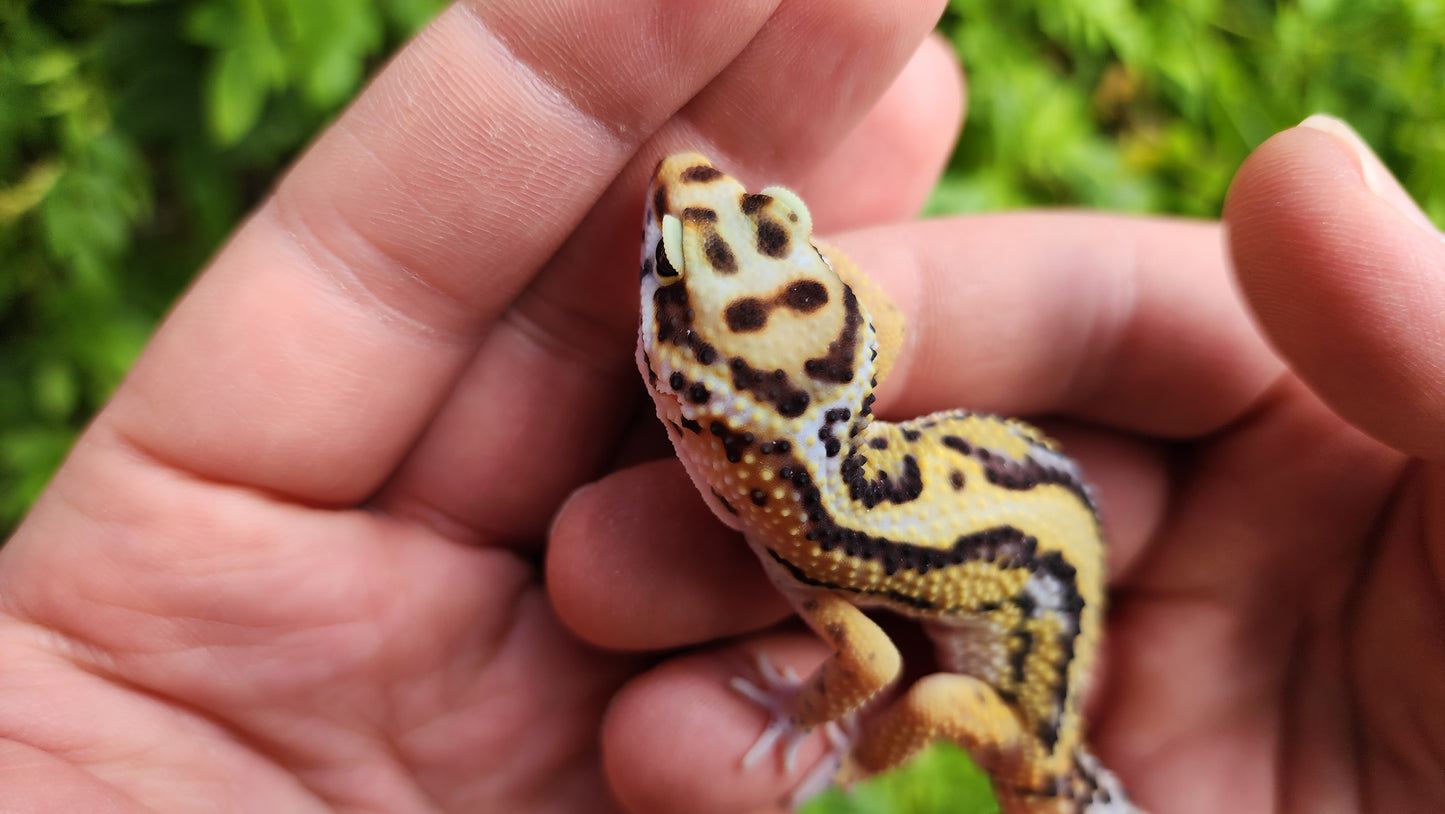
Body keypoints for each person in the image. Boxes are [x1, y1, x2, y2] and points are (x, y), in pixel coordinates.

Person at [2, 2, 1440, 812]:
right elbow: (860, 355)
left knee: (959, 710)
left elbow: (891, 674)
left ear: (696, 416)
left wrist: (835, 725)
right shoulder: (801, 507)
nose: (686, 200)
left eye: (690, 263)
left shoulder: (828, 579)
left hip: (1027, 654)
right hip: (1031, 535)